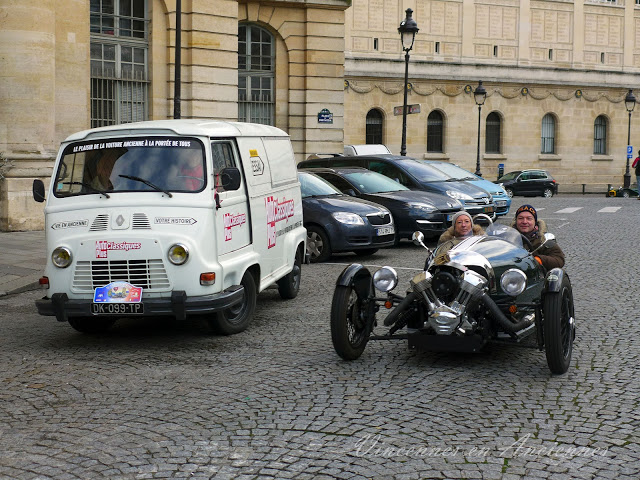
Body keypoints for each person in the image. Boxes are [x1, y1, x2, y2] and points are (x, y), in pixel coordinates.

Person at [511, 204, 565, 270]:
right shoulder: (507, 237)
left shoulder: (543, 239)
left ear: (535, 222)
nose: (524, 222)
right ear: (516, 221)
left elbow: (559, 260)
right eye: (520, 218)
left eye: (529, 218)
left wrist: (539, 259)